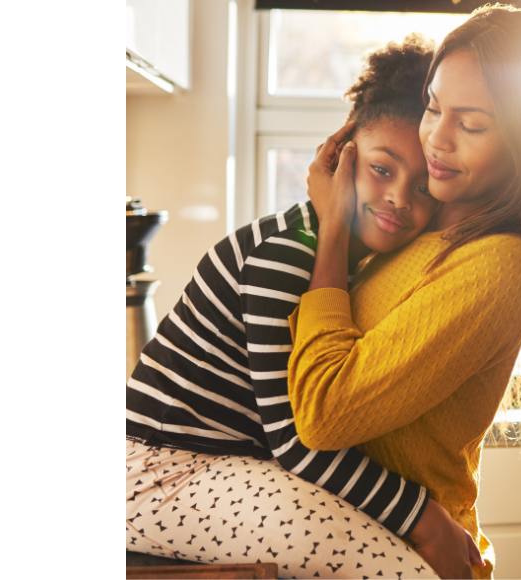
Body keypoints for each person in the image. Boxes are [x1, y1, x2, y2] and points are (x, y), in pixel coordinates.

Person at [288, 7, 521, 579]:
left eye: (471, 126)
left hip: (409, 559)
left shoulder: (501, 263)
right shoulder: (424, 221)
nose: (436, 140)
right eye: (433, 107)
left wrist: (329, 232)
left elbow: (323, 412)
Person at [125, 35, 483, 579]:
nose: (399, 198)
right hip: (160, 475)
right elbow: (298, 441)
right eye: (382, 170)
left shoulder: (344, 259)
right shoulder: (286, 256)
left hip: (225, 465)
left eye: (423, 188)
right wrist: (426, 519)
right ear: (341, 154)